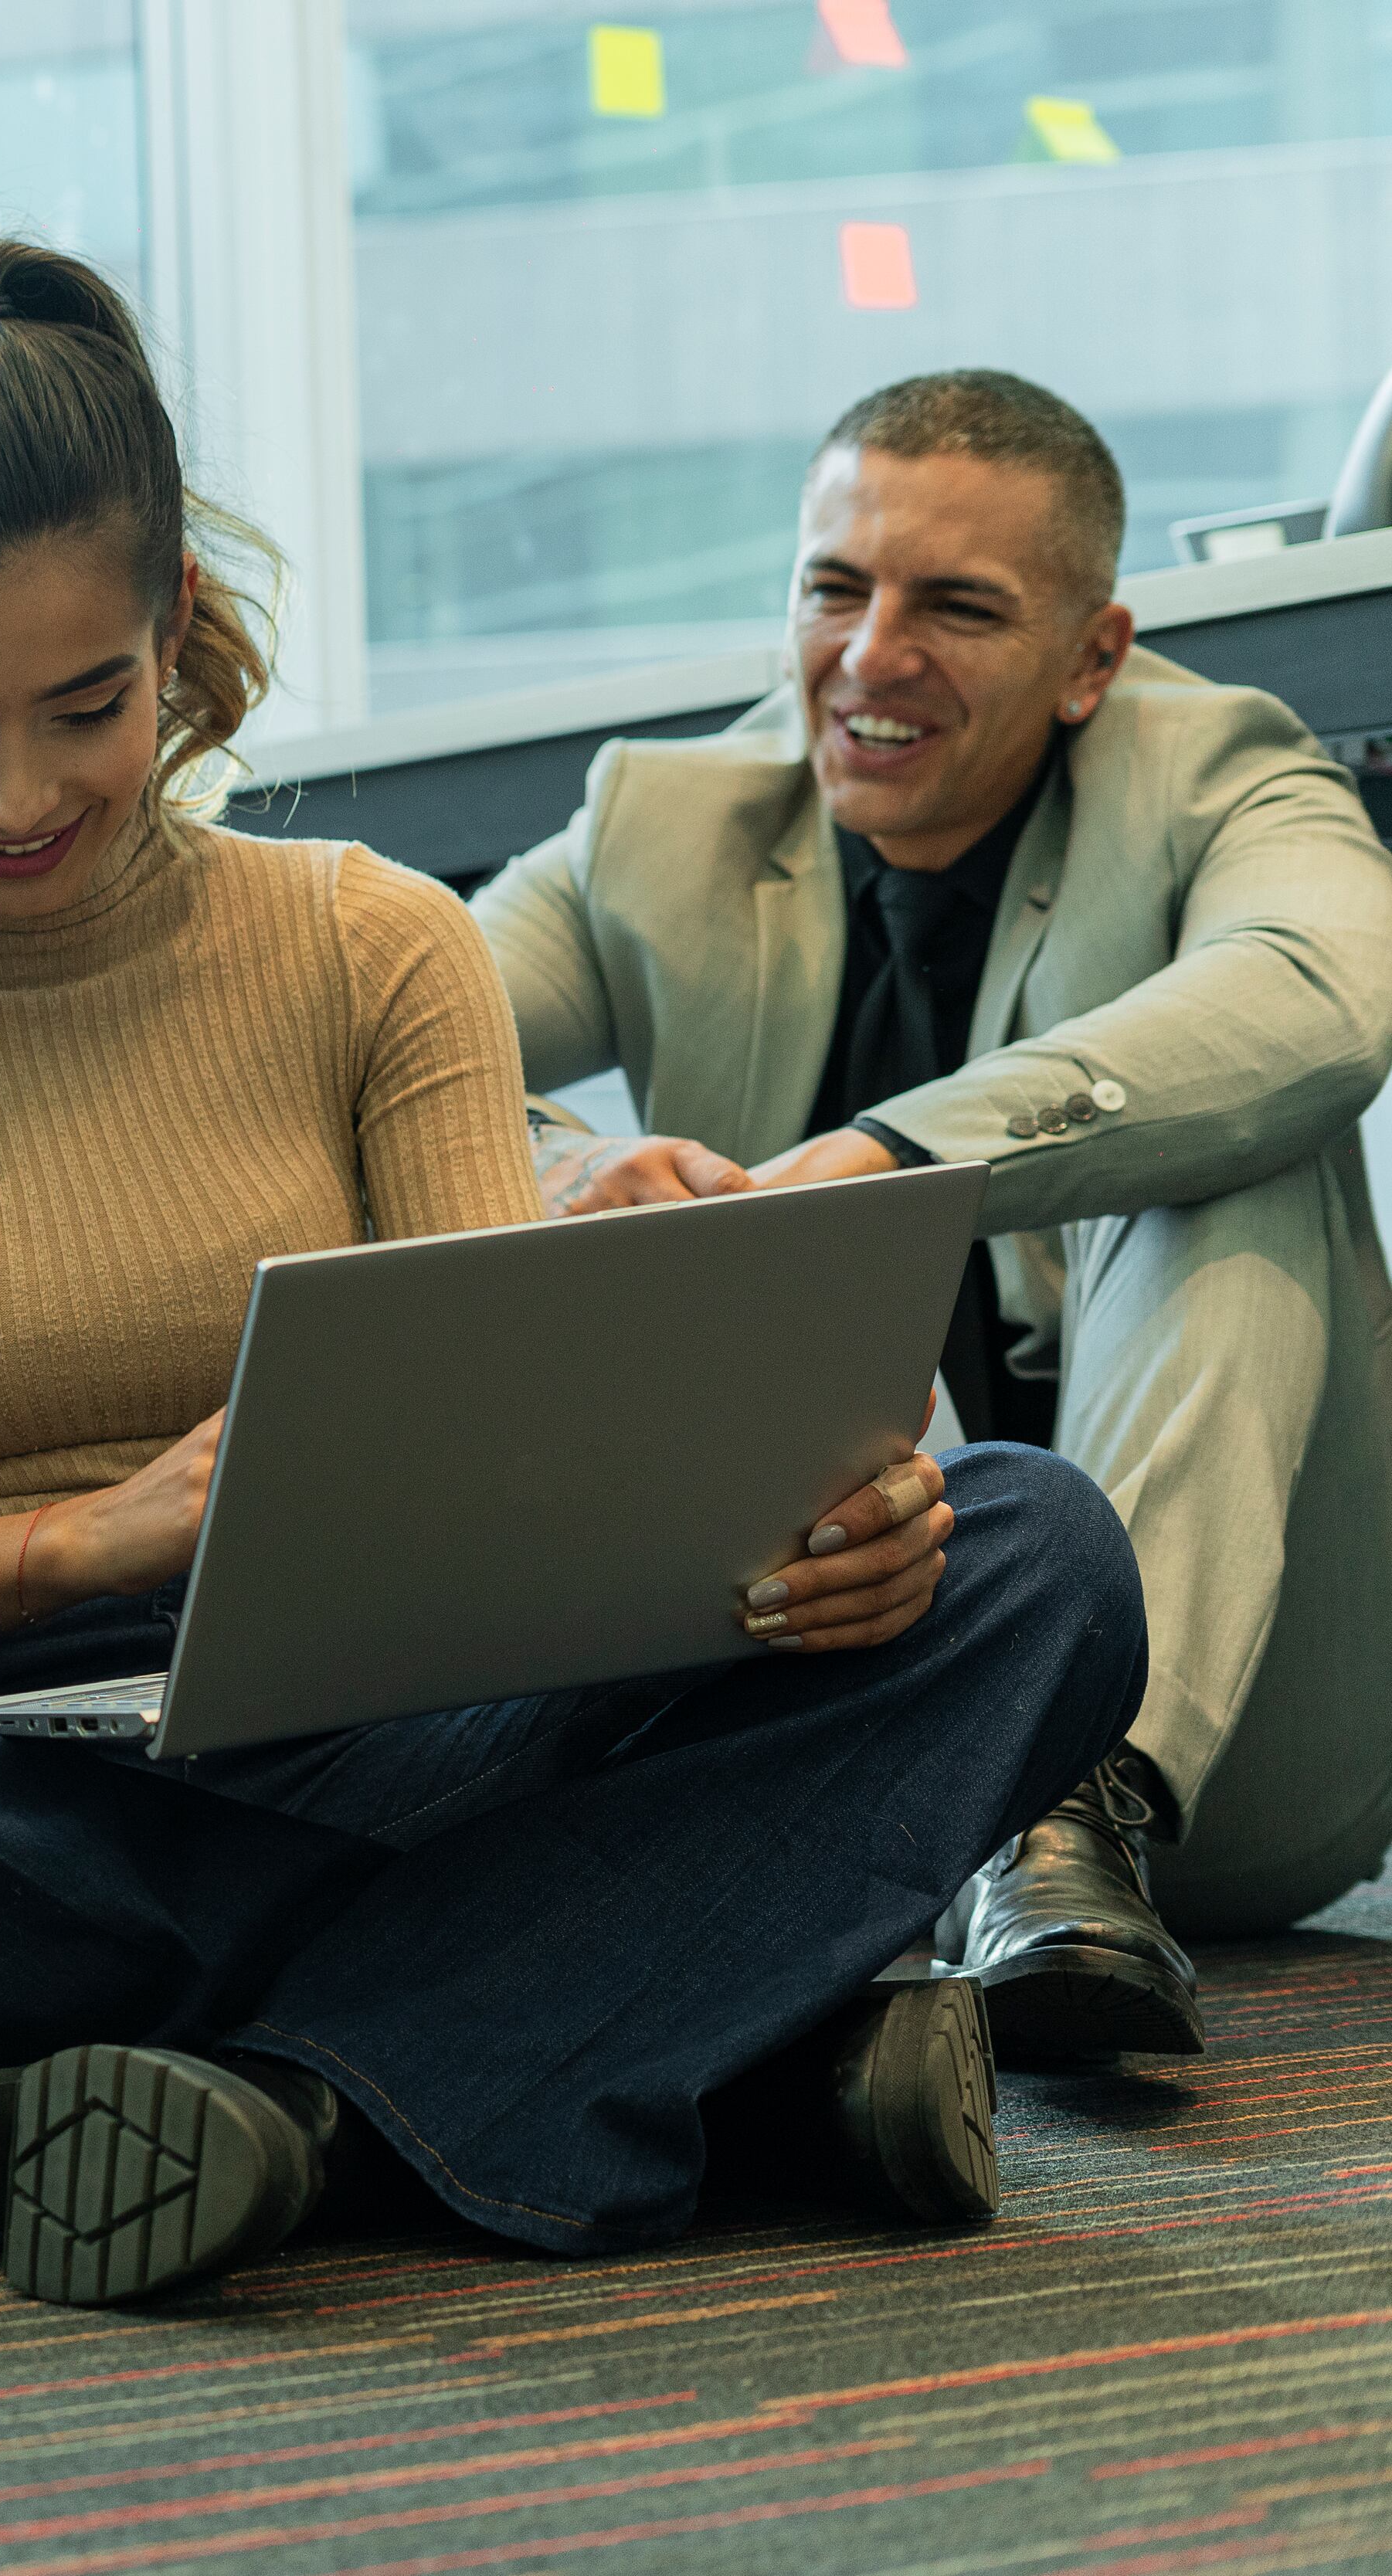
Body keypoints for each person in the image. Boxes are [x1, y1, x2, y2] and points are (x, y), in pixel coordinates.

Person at [0, 239, 1149, 2312]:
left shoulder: (369, 945)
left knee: (1031, 1550)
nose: (16, 796)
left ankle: (255, 2097)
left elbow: (514, 1500)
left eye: (88, 708)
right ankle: (561, 2045)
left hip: (381, 1738)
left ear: (181, 635)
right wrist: (73, 1545)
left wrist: (830, 1533)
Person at [475, 371, 1392, 2049]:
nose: (868, 659)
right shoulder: (663, 823)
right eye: (834, 588)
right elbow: (378, 1047)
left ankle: (1067, 1802)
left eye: (955, 609)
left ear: (1094, 657)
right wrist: (583, 1179)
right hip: (830, 1715)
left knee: (1240, 1138)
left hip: (1235, 1759)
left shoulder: (1222, 773)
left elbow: (1323, 995)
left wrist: (886, 1161)